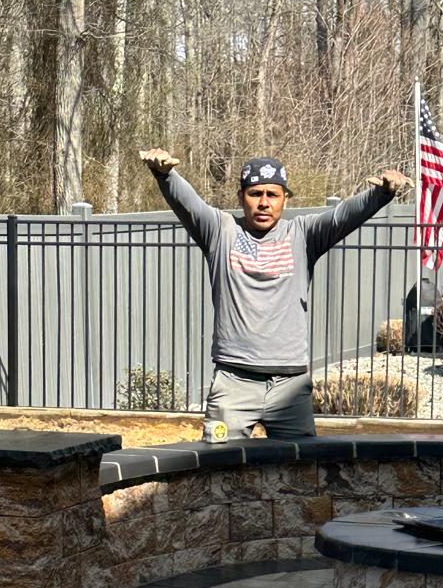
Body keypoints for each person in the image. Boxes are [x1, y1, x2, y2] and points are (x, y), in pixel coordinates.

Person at [140, 149, 410, 438]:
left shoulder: (303, 234)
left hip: (290, 386)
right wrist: (165, 175)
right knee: (219, 462)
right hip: (234, 381)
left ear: (285, 199)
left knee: (299, 464)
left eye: (273, 194)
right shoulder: (220, 230)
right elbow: (189, 204)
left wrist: (381, 194)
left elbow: (341, 217)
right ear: (241, 197)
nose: (264, 202)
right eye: (255, 193)